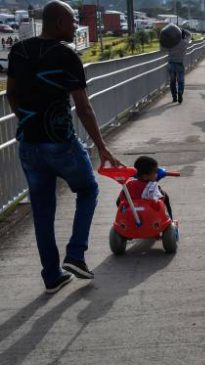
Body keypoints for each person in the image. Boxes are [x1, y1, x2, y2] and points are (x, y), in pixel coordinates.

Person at [6, 0, 121, 294]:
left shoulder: (19, 51)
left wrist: (27, 121)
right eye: (72, 21)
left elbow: (12, 94)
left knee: (42, 211)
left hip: (29, 144)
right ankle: (76, 255)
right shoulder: (65, 55)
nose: (75, 26)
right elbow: (83, 108)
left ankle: (51, 275)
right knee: (88, 189)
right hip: (60, 143)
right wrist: (102, 146)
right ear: (58, 23)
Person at [166, 29, 191, 104]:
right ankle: (180, 92)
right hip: (179, 64)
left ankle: (174, 97)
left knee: (172, 81)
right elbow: (189, 35)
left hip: (171, 64)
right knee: (181, 81)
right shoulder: (184, 43)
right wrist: (183, 30)